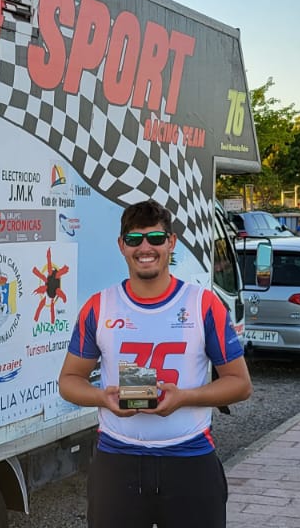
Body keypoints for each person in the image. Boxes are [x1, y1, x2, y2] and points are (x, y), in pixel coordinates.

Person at [58, 200, 252, 528]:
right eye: (134, 240)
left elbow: (240, 384)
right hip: (117, 461)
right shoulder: (98, 307)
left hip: (189, 460)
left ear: (171, 242)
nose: (145, 248)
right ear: (121, 246)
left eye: (156, 239)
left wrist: (185, 398)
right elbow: (69, 381)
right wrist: (101, 397)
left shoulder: (203, 304)